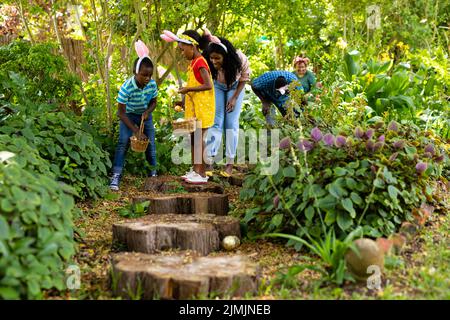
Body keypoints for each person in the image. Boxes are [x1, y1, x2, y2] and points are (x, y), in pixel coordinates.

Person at [162, 29, 215, 184]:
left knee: (199, 139)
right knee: (193, 138)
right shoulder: (193, 63)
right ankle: (195, 170)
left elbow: (208, 85)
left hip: (203, 109)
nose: (182, 53)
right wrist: (183, 102)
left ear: (192, 46)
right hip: (194, 108)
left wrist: (188, 90)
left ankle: (202, 173)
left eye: (183, 49)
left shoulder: (200, 62)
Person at [110, 41, 158, 191]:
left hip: (145, 116)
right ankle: (116, 175)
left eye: (149, 75)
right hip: (128, 116)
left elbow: (154, 102)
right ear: (135, 73)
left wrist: (148, 111)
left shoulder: (152, 84)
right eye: (144, 75)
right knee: (123, 142)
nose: (147, 78)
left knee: (150, 144)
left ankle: (153, 174)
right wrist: (136, 130)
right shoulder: (127, 87)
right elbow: (120, 112)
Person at [203, 31, 251, 177]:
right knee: (216, 122)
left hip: (235, 86)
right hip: (218, 86)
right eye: (212, 58)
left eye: (217, 58)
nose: (214, 61)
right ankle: (209, 160)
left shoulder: (239, 58)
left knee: (230, 123)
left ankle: (229, 163)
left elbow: (244, 78)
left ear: (226, 56)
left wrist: (235, 97)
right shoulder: (208, 59)